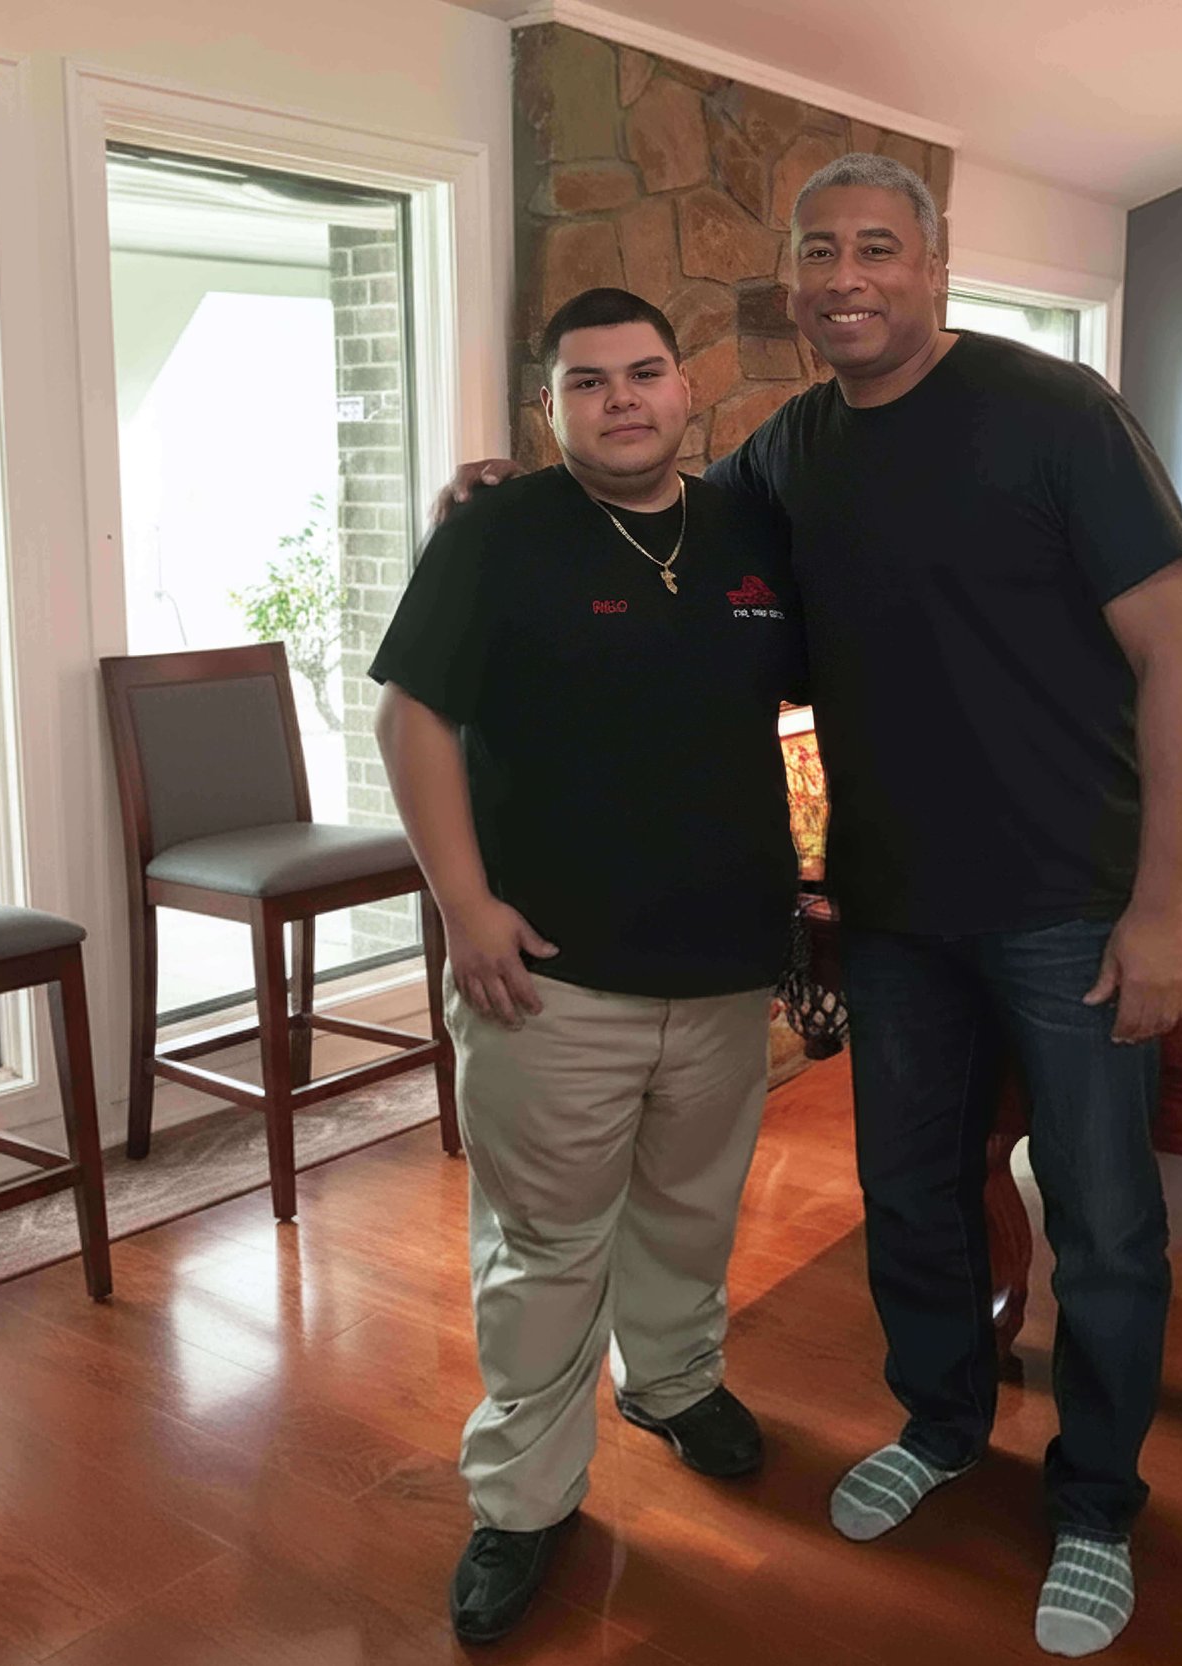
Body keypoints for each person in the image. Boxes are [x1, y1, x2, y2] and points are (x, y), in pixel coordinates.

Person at [443, 155, 1182, 1658]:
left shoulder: (1057, 412)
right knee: (913, 1191)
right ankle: (939, 1421)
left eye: (879, 248)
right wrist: (503, 497)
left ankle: (1097, 1502)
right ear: (790, 280)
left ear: (936, 265)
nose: (846, 276)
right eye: (819, 252)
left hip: (1070, 901)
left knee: (1107, 1224)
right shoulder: (794, 447)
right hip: (894, 908)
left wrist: (1162, 907)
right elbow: (652, 527)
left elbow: (1176, 661)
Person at [371, 286, 804, 1647]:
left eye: (644, 372)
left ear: (687, 391)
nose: (622, 398)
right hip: (549, 974)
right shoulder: (496, 534)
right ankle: (523, 1499)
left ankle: (671, 1382)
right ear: (548, 408)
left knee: (690, 1204)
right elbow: (412, 716)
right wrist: (465, 906)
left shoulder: (749, 528)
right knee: (546, 1245)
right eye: (589, 381)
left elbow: (807, 689)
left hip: (725, 962)